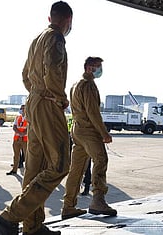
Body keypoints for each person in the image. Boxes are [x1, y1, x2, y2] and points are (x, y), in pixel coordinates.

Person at [0, 0, 73, 235]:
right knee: (60, 164)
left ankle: (33, 226)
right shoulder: (56, 38)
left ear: (50, 18)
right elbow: (53, 69)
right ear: (67, 20)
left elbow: (25, 74)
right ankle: (10, 217)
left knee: (35, 167)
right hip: (47, 103)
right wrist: (57, 97)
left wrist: (35, 93)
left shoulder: (37, 39)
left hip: (34, 102)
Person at [61, 56, 116, 220]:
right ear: (89, 68)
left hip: (77, 130)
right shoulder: (88, 85)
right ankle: (98, 200)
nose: (100, 70)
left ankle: (68, 205)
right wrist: (104, 133)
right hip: (88, 131)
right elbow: (93, 112)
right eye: (97, 67)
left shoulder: (75, 84)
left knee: (76, 169)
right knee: (101, 160)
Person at [7, 104, 28, 175]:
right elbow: (14, 126)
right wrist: (19, 133)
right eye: (21, 108)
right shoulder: (18, 117)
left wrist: (23, 133)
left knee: (27, 155)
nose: (22, 110)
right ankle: (14, 169)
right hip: (17, 139)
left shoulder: (29, 117)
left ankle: (28, 171)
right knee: (16, 155)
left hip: (25, 139)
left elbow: (30, 128)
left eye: (23, 108)